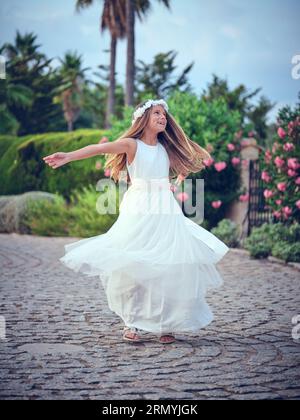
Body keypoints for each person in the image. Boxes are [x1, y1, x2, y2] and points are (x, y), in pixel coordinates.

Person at [43, 99, 229, 345]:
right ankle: (131, 322)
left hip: (166, 211)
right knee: (133, 263)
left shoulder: (166, 147)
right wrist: (68, 156)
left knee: (169, 264)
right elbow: (98, 149)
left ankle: (167, 324)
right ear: (144, 119)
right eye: (156, 113)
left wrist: (178, 180)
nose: (162, 117)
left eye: (164, 114)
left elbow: (189, 161)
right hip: (138, 209)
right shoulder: (132, 145)